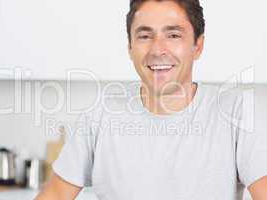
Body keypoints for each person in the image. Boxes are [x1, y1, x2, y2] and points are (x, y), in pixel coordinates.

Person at [35, 0, 267, 199]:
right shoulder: (100, 115)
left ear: (198, 46)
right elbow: (55, 194)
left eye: (173, 35)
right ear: (130, 47)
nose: (157, 49)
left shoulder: (237, 111)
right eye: (145, 36)